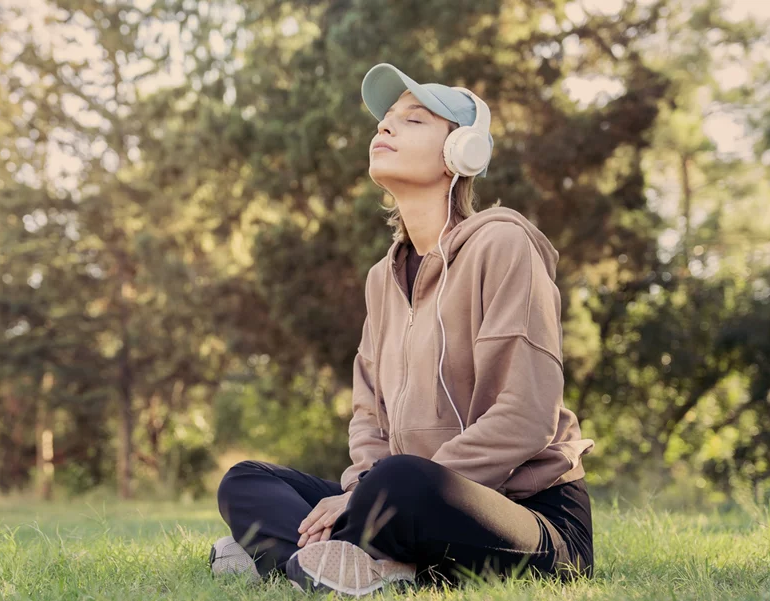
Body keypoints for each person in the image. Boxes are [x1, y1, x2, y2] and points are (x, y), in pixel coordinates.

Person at [208, 62, 596, 597]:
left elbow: (526, 417)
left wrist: (365, 494)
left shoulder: (503, 244)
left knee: (401, 482)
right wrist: (359, 490)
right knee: (247, 480)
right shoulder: (381, 279)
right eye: (385, 120)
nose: (384, 128)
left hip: (525, 517)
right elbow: (368, 418)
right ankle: (351, 563)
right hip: (398, 501)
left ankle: (290, 556)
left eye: (412, 121)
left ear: (461, 152)